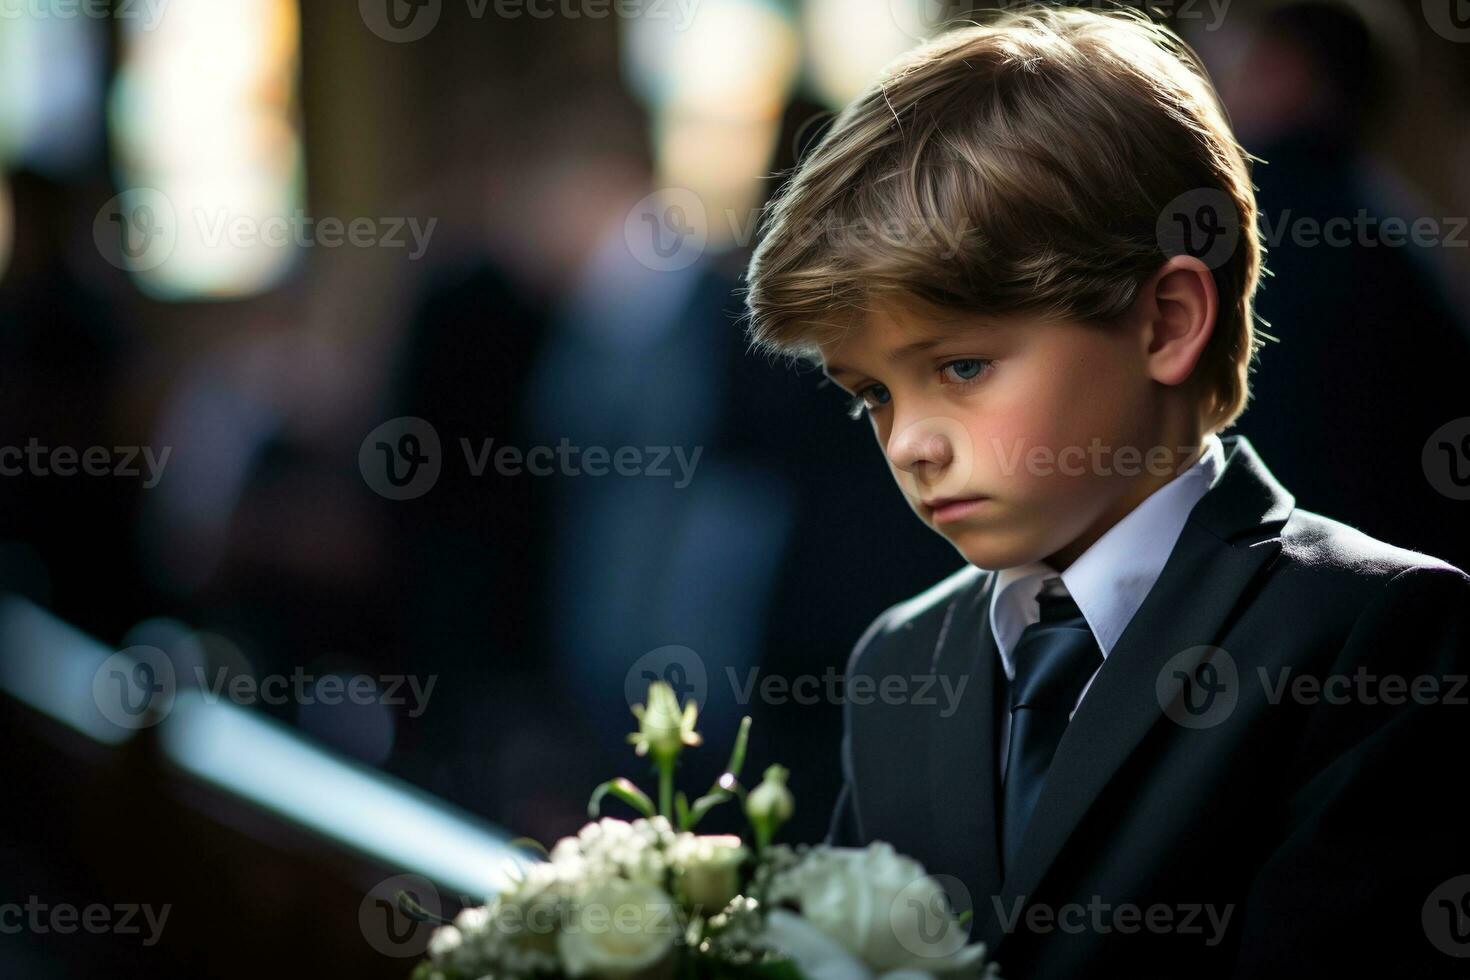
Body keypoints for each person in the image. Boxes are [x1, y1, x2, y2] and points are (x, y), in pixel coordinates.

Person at [743, 7, 1469, 978]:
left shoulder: (1375, 634)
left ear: (1166, 320)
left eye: (960, 367)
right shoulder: (898, 663)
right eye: (871, 391)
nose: (908, 441)